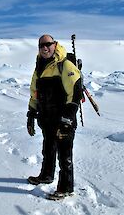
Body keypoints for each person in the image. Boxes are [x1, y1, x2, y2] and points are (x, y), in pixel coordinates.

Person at [26, 34, 82, 199]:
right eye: (41, 45)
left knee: (65, 155)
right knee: (48, 150)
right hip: (46, 119)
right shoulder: (39, 68)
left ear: (54, 44)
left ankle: (66, 188)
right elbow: (34, 93)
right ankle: (46, 175)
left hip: (63, 119)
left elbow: (75, 93)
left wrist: (68, 119)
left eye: (48, 44)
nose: (45, 48)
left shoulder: (64, 65)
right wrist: (31, 114)